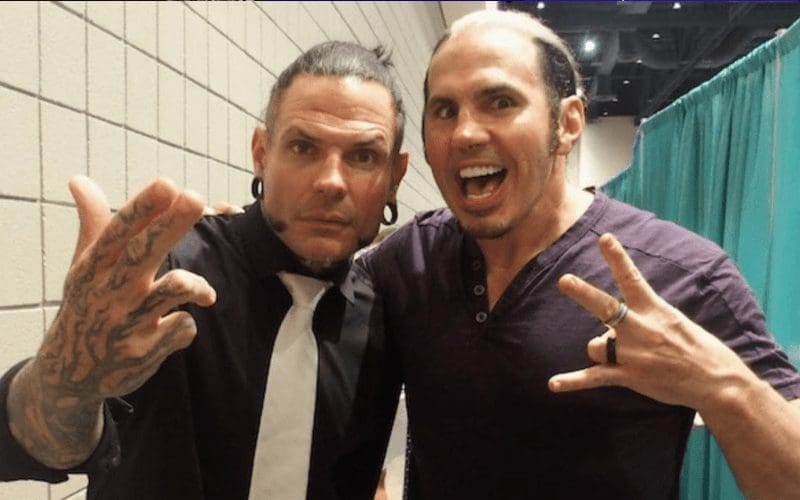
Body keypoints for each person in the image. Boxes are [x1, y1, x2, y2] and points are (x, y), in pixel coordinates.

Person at [358, 10, 800, 499]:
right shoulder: (406, 263)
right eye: (444, 111)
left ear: (567, 123)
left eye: (500, 102)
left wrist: (721, 386)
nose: (465, 133)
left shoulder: (683, 276)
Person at [0, 41, 408, 499]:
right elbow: (33, 445)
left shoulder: (387, 322)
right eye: (303, 147)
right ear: (262, 153)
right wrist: (64, 387)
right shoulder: (167, 276)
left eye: (364, 156)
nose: (330, 181)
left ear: (395, 177)